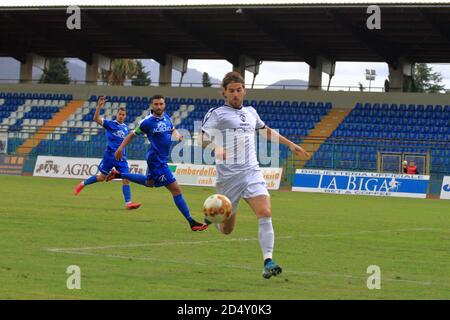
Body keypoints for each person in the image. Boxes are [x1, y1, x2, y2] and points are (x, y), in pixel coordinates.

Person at [200, 71, 310, 279]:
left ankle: (268, 261)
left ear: (244, 91)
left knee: (265, 212)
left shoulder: (251, 112)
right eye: (231, 91)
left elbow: (266, 131)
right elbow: (202, 137)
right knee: (226, 230)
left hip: (252, 172)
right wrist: (216, 148)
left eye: (238, 90)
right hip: (229, 178)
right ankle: (215, 215)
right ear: (224, 92)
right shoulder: (217, 113)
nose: (235, 94)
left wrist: (291, 145)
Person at [106, 94, 208, 232]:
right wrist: (120, 148)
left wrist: (177, 135)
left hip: (160, 159)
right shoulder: (147, 122)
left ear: (164, 104)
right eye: (156, 104)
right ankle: (191, 222)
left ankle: (118, 174)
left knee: (149, 183)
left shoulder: (166, 118)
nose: (159, 106)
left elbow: (172, 129)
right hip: (157, 161)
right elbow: (131, 134)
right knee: (176, 189)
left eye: (161, 104)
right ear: (152, 106)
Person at [73, 96, 141, 210]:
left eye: (123, 115)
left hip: (121, 157)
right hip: (109, 156)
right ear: (117, 115)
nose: (122, 116)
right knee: (100, 178)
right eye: (120, 114)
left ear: (125, 116)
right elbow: (95, 119)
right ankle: (82, 184)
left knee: (126, 179)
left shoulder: (125, 128)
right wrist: (99, 106)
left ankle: (128, 203)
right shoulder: (110, 124)